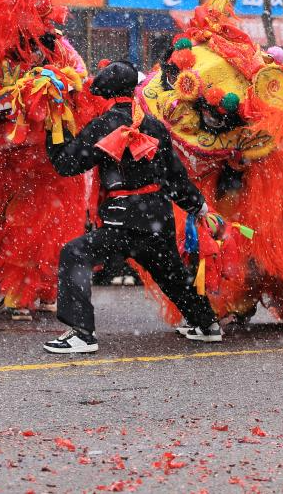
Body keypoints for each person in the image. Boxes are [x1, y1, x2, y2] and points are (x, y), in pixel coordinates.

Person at [42, 62, 221, 354]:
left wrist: (55, 127)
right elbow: (175, 178)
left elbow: (67, 163)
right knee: (171, 273)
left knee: (74, 253)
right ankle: (207, 325)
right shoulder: (155, 126)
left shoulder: (104, 124)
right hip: (158, 219)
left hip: (123, 221)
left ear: (105, 95)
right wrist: (200, 208)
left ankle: (82, 334)